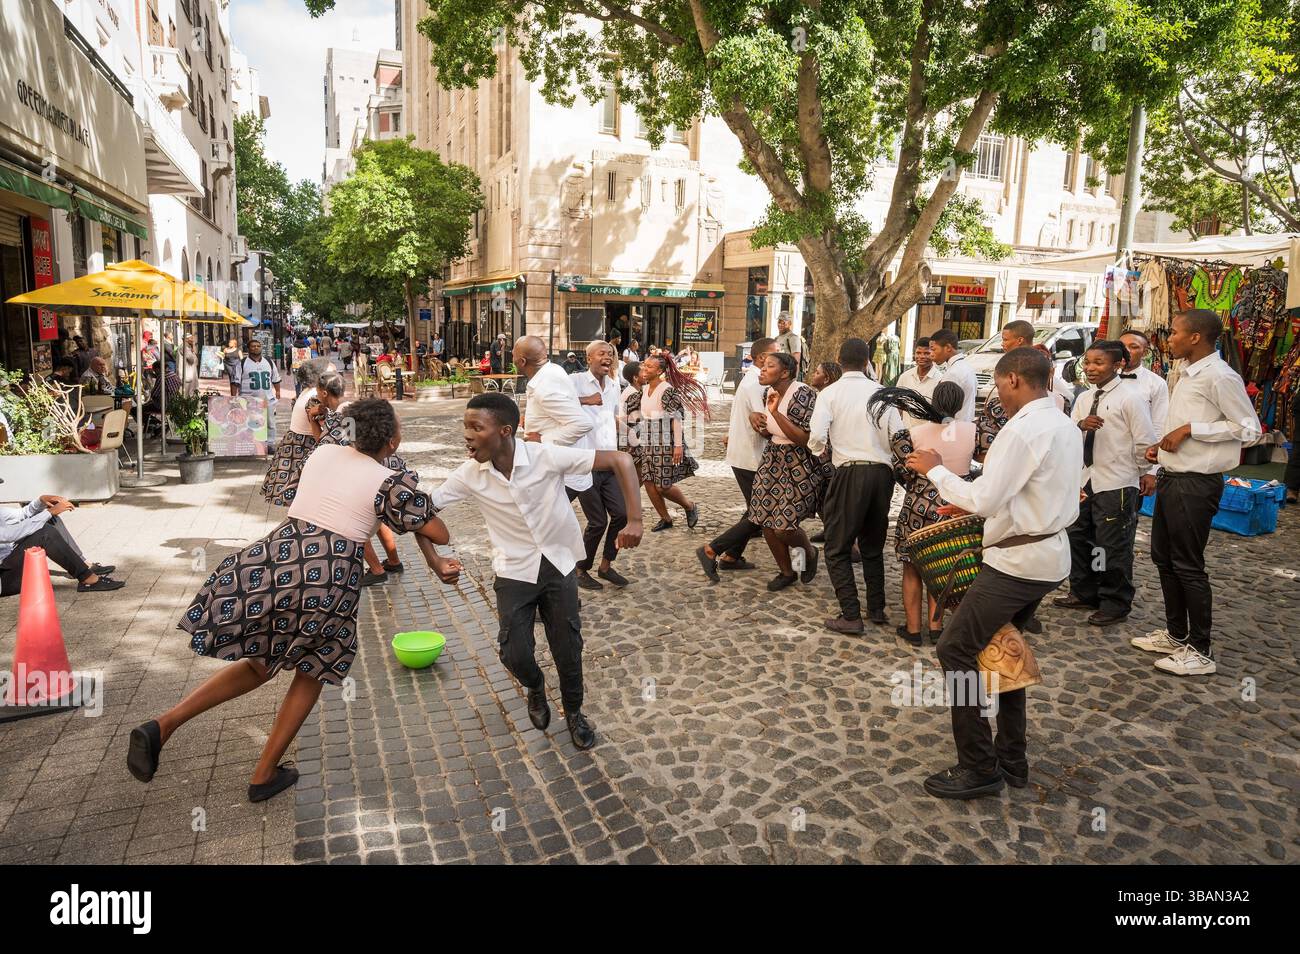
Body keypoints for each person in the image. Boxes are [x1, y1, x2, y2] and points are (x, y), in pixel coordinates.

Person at [128, 400, 457, 802]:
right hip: (326, 579)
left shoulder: (323, 453)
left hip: (276, 559)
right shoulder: (389, 483)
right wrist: (420, 512)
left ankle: (163, 725)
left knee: (263, 663)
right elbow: (438, 532)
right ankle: (263, 773)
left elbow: (342, 437)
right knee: (314, 668)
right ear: (393, 440)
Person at [905, 347, 1082, 799]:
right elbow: (1015, 488)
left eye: (999, 385)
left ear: (1015, 381)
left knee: (954, 649)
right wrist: (964, 494)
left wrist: (938, 472)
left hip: (1017, 564)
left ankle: (979, 766)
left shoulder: (1023, 429)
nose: (996, 395)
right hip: (1046, 557)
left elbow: (987, 499)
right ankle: (1012, 758)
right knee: (1003, 648)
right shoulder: (1062, 422)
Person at [431, 392, 643, 749]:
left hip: (559, 566)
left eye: (475, 427)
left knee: (567, 646)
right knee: (514, 652)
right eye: (465, 426)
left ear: (504, 431)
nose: (466, 435)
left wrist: (635, 519)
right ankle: (535, 688)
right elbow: (423, 511)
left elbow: (621, 459)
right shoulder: (469, 475)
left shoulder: (545, 456)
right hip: (513, 570)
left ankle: (574, 713)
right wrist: (433, 560)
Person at [1132, 309, 1260, 676]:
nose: (1167, 338)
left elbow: (1248, 428)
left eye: (1173, 333)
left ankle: (1200, 649)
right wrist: (1165, 443)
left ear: (1195, 337)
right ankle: (1175, 634)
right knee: (1164, 557)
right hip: (1173, 476)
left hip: (1197, 483)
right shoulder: (1186, 373)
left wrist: (1191, 429)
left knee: (1188, 564)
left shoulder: (1221, 376)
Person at [1054, 340, 1156, 627]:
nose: (1090, 368)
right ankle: (1085, 590)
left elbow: (1145, 441)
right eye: (1087, 362)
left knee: (1111, 545)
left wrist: (1139, 473)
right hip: (1087, 480)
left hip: (1117, 481)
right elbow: (1068, 433)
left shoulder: (1130, 398)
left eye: (1098, 363)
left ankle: (1114, 601)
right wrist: (1079, 426)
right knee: (1078, 536)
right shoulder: (1085, 398)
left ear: (1117, 364)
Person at [869, 382, 976, 646]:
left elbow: (903, 473)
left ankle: (913, 629)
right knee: (943, 569)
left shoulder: (913, 434)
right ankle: (936, 626)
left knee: (912, 569)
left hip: (918, 505)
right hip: (954, 505)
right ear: (960, 404)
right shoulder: (974, 431)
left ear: (933, 401)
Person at [808, 338, 898, 631]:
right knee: (873, 545)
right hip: (883, 474)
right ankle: (876, 608)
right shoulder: (883, 393)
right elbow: (899, 434)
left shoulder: (830, 393)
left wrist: (817, 449)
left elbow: (818, 435)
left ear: (839, 358)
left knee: (837, 547)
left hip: (850, 472)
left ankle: (850, 614)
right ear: (868, 360)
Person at [697, 337, 777, 582]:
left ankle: (730, 556)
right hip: (750, 457)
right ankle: (711, 550)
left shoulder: (756, 380)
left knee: (758, 510)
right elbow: (762, 423)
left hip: (747, 454)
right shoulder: (756, 383)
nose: (781, 355)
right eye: (776, 353)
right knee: (762, 511)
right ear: (763, 358)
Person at [747, 351, 827, 591]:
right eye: (762, 364)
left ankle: (808, 554)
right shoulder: (769, 392)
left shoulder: (803, 393)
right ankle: (787, 570)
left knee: (785, 526)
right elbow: (771, 432)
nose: (762, 368)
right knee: (765, 519)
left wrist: (775, 414)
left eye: (769, 366)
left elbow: (804, 438)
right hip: (772, 460)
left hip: (799, 463)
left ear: (785, 372)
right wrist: (756, 420)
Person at [570, 341, 629, 590]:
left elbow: (612, 417)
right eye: (602, 353)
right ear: (589, 357)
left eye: (611, 354)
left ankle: (606, 566)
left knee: (622, 515)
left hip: (609, 462)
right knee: (597, 521)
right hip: (585, 462)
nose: (608, 357)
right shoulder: (575, 381)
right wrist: (584, 400)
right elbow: (554, 404)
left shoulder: (614, 386)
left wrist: (629, 430)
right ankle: (581, 569)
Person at [514, 335, 593, 503]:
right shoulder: (552, 370)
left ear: (521, 361)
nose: (512, 359)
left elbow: (582, 424)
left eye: (513, 355)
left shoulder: (545, 388)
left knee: (540, 521)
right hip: (556, 467)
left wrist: (543, 439)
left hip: (558, 472)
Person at [0, 489, 124, 595]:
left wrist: (41, 501)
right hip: (5, 581)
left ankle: (84, 564)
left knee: (50, 519)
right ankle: (88, 579)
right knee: (45, 532)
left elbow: (21, 514)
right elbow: (10, 534)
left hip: (8, 565)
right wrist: (49, 512)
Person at [631, 353, 704, 531]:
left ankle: (689, 506)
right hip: (648, 440)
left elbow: (676, 418)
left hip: (665, 440)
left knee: (663, 486)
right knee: (648, 481)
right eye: (644, 365)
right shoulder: (645, 389)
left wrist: (678, 445)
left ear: (660, 371)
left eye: (649, 367)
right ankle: (666, 519)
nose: (644, 369)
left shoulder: (667, 390)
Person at [260, 367, 346, 507]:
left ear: (324, 393)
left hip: (330, 459)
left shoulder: (323, 405)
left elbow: (322, 440)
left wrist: (313, 418)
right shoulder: (332, 406)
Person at [1118, 328, 1169, 438]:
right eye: (1121, 346)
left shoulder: (1157, 383)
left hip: (1138, 449)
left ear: (1145, 353)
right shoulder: (1104, 378)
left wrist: (1153, 449)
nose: (1126, 351)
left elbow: (1159, 423)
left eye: (1134, 347)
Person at [239, 339, 282, 447]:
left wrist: (278, 391)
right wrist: (233, 397)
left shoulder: (269, 361)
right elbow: (235, 382)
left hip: (267, 399)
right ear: (248, 348)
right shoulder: (243, 363)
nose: (256, 348)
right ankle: (251, 445)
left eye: (258, 346)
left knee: (270, 422)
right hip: (249, 399)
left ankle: (270, 444)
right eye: (253, 346)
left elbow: (275, 378)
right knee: (250, 422)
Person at [930, 328, 977, 422]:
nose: (931, 354)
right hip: (964, 428)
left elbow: (944, 411)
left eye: (934, 349)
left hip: (952, 430)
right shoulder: (966, 367)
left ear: (948, 347)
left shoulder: (953, 373)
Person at [893, 338, 940, 426]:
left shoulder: (940, 380)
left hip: (928, 435)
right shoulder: (905, 377)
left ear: (933, 354)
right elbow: (897, 407)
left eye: (926, 353)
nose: (921, 356)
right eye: (918, 353)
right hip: (906, 434)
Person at [774, 313, 807, 379]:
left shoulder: (793, 338)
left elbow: (796, 361)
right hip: (779, 373)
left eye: (784, 323)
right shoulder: (777, 338)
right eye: (779, 322)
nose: (781, 325)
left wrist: (793, 379)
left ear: (789, 324)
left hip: (788, 375)